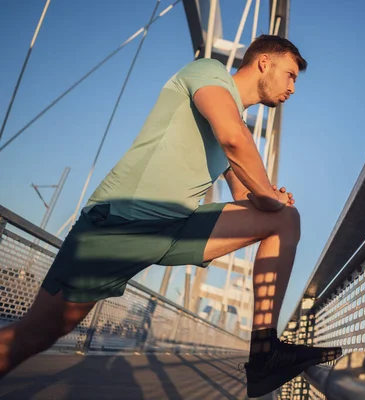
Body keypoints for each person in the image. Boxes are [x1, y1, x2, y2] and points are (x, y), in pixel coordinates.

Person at [0, 35, 341, 397]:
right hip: (118, 224)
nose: (292, 87)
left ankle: (264, 353)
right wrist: (267, 195)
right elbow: (232, 138)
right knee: (38, 334)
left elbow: (245, 196)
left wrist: (273, 200)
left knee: (285, 220)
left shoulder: (235, 121)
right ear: (263, 63)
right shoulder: (208, 73)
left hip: (174, 227)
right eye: (289, 75)